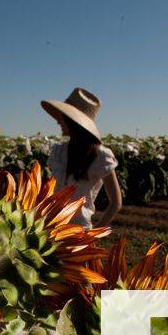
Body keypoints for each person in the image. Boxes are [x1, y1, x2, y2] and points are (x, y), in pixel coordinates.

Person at [41, 87, 123, 229]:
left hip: (78, 231)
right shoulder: (59, 151)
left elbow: (116, 203)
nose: (58, 122)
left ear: (74, 122)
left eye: (63, 117)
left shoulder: (101, 156)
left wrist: (93, 235)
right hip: (50, 226)